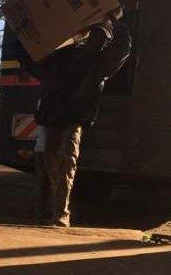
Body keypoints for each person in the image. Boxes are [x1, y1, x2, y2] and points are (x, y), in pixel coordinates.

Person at [22, 11, 132, 227]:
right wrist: (24, 30)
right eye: (94, 34)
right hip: (53, 116)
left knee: (66, 162)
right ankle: (54, 208)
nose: (96, 39)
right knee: (53, 163)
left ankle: (60, 213)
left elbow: (122, 48)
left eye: (100, 36)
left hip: (73, 118)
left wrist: (116, 22)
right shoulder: (61, 56)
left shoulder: (99, 63)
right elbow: (29, 58)